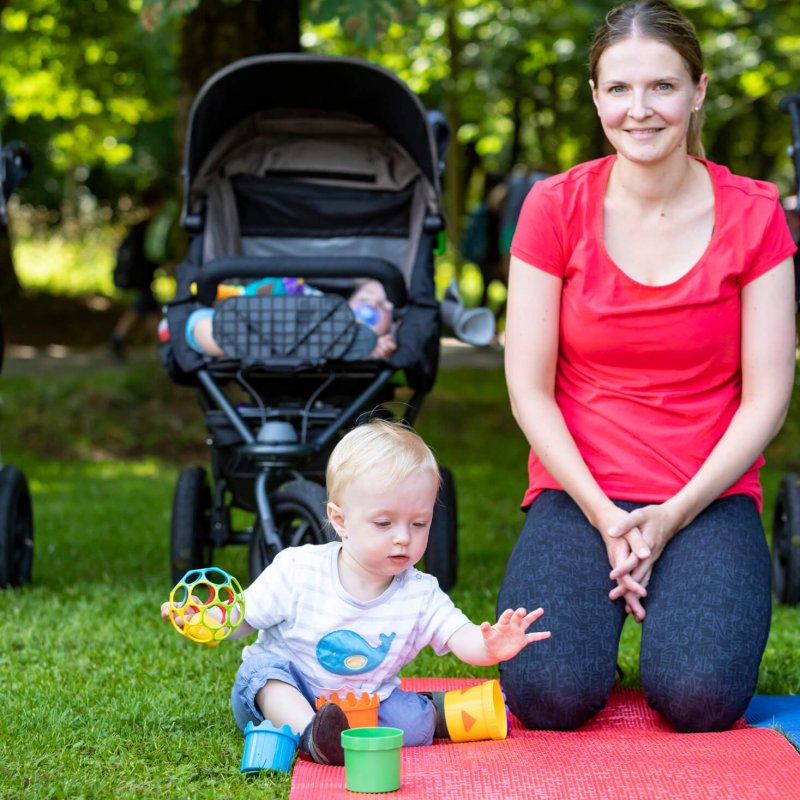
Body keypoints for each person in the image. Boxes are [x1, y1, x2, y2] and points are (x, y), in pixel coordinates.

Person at [498, 0, 797, 735]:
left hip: (708, 492)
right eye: (620, 89)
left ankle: (676, 604)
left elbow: (767, 398)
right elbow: (528, 389)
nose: (641, 109)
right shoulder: (552, 206)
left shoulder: (756, 214)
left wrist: (671, 517)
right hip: (579, 488)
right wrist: (605, 515)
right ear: (596, 96)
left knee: (698, 698)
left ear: (697, 92)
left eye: (662, 87)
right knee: (547, 696)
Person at [161, 420, 550, 765]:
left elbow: (460, 637)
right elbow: (241, 619)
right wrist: (203, 618)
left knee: (410, 727)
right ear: (340, 520)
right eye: (384, 523)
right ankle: (313, 735)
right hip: (287, 691)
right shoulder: (299, 570)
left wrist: (490, 648)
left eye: (419, 523)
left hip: (365, 702)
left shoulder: (420, 593)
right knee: (264, 676)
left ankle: (434, 712)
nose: (403, 538)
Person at [185, 278, 398, 361]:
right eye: (364, 299)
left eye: (384, 305)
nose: (373, 305)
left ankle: (234, 344)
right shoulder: (327, 305)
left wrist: (377, 348)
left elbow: (384, 346)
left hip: (329, 349)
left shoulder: (380, 341)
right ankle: (226, 341)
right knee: (201, 320)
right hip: (268, 324)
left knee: (361, 340)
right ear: (347, 303)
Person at [109, 186, 174, 360]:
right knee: (149, 310)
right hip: (142, 276)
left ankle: (119, 338)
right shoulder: (150, 227)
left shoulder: (143, 225)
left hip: (142, 276)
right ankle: (165, 345)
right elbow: (154, 252)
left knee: (142, 309)